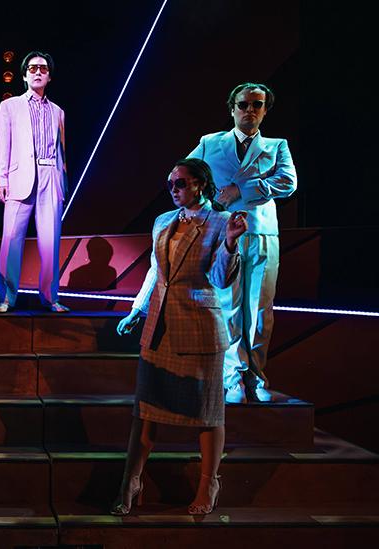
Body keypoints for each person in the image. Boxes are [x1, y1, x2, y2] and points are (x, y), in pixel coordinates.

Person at [111, 158, 246, 516]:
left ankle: (208, 483)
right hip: (159, 327)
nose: (174, 189)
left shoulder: (220, 222)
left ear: (201, 184)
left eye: (181, 183)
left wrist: (231, 244)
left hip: (199, 328)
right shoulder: (163, 221)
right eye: (171, 184)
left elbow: (220, 279)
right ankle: (131, 481)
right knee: (146, 410)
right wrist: (137, 310)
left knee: (207, 413)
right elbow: (156, 272)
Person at [188, 83, 297, 403]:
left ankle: (256, 375)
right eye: (244, 104)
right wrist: (209, 203)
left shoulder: (276, 146)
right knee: (228, 306)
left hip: (262, 232)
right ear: (232, 108)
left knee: (260, 308)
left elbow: (288, 181)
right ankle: (233, 376)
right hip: (223, 232)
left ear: (265, 110)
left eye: (257, 105)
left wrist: (241, 190)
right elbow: (183, 175)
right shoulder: (210, 143)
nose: (250, 110)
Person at [0, 50, 69, 313]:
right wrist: (1, 179)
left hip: (50, 176)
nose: (37, 72)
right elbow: (3, 144)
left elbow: (62, 151)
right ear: (24, 75)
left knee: (50, 241)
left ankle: (50, 297)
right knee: (11, 239)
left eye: (43, 68)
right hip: (19, 176)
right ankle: (6, 298)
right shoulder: (10, 106)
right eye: (32, 68)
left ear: (49, 77)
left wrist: (62, 183)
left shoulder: (58, 112)